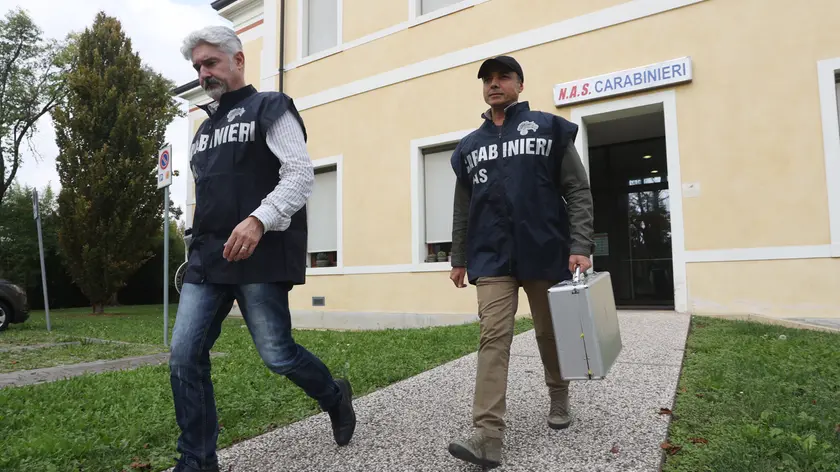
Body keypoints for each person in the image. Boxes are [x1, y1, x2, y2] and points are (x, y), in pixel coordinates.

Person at [170, 26, 356, 472]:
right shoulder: (203, 130)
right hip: (207, 260)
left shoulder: (270, 107)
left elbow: (299, 174)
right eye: (197, 66)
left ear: (238, 60)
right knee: (184, 356)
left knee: (278, 355)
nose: (203, 73)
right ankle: (197, 459)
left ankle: (334, 396)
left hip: (259, 255)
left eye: (210, 62)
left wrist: (259, 219)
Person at [446, 55, 595, 468]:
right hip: (491, 256)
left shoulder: (547, 129)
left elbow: (577, 190)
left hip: (544, 249)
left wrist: (580, 244)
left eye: (503, 77)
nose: (494, 84)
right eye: (488, 80)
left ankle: (559, 395)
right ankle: (487, 435)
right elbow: (463, 208)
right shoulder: (469, 147)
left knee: (549, 333)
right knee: (493, 337)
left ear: (520, 85)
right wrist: (459, 256)